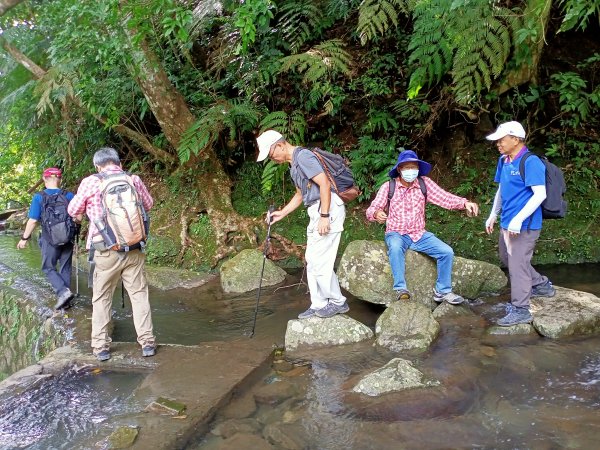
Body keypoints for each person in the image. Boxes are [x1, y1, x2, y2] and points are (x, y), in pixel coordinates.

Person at [67, 147, 156, 361]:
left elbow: (73, 210)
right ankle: (147, 343)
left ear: (97, 166)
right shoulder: (132, 179)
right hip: (134, 247)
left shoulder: (91, 182)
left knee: (102, 297)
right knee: (139, 295)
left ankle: (101, 347)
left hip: (105, 250)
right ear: (119, 163)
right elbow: (149, 205)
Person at [256, 130, 349, 319]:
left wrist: (324, 215)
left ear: (280, 145)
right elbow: (300, 194)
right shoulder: (294, 165)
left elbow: (324, 184)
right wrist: (282, 213)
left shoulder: (304, 157)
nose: (272, 159)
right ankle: (318, 304)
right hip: (316, 210)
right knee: (311, 258)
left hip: (327, 209)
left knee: (320, 260)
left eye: (271, 154)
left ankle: (338, 302)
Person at [366, 149, 479, 304]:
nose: (411, 171)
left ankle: (442, 291)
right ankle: (401, 288)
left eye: (414, 167)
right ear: (399, 169)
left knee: (446, 252)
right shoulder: (389, 186)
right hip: (396, 232)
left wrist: (465, 203)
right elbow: (372, 209)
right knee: (396, 247)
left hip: (419, 234)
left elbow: (444, 197)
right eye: (407, 167)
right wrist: (377, 214)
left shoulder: (423, 183)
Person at [485, 121, 555, 327]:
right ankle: (541, 284)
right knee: (506, 258)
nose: (498, 143)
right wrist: (492, 215)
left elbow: (539, 195)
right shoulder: (504, 160)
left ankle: (521, 309)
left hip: (525, 225)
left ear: (515, 139)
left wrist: (518, 219)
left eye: (502, 139)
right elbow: (501, 189)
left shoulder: (530, 161)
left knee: (517, 266)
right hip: (507, 221)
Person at [16, 167, 76, 310]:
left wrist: (24, 238)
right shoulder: (68, 195)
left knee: (48, 267)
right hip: (68, 237)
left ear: (44, 179)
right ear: (60, 179)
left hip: (50, 239)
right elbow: (78, 217)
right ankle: (66, 301)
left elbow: (33, 220)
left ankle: (63, 292)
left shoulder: (39, 197)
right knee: (65, 267)